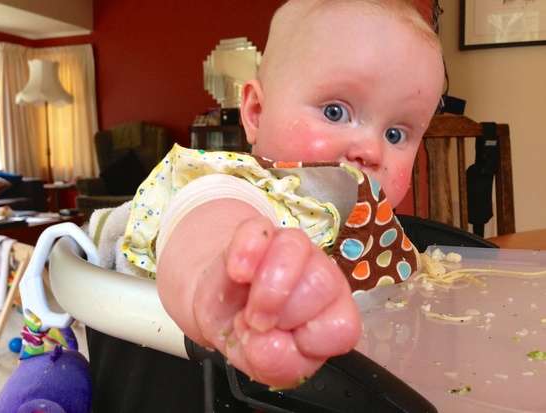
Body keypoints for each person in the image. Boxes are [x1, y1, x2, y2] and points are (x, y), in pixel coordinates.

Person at [87, 0, 444, 410]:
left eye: (396, 134)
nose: (371, 149)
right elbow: (208, 220)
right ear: (256, 113)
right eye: (335, 112)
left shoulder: (365, 220)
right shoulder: (248, 188)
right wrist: (230, 283)